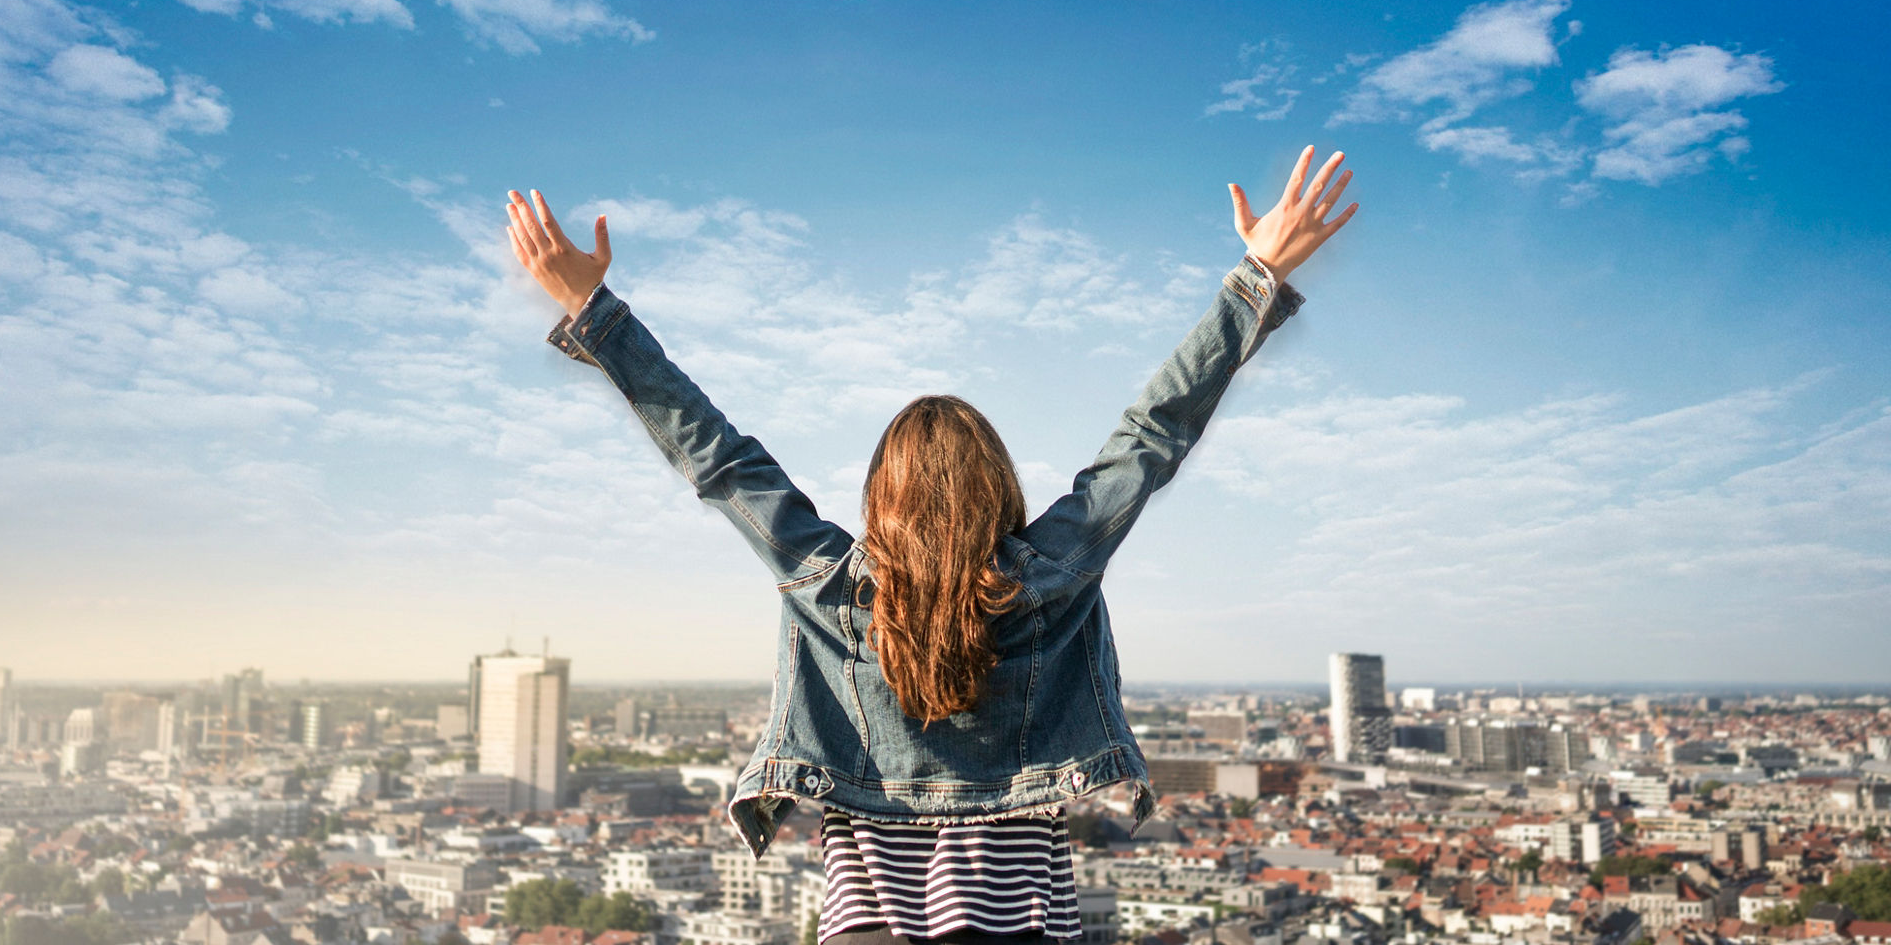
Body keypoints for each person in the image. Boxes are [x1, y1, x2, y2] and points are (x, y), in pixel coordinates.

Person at [506, 145, 1356, 945]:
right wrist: (1258, 277)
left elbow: (719, 457)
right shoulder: (1051, 574)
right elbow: (1152, 435)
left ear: (883, 495)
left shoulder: (829, 584)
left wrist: (595, 313)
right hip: (1017, 922)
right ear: (997, 486)